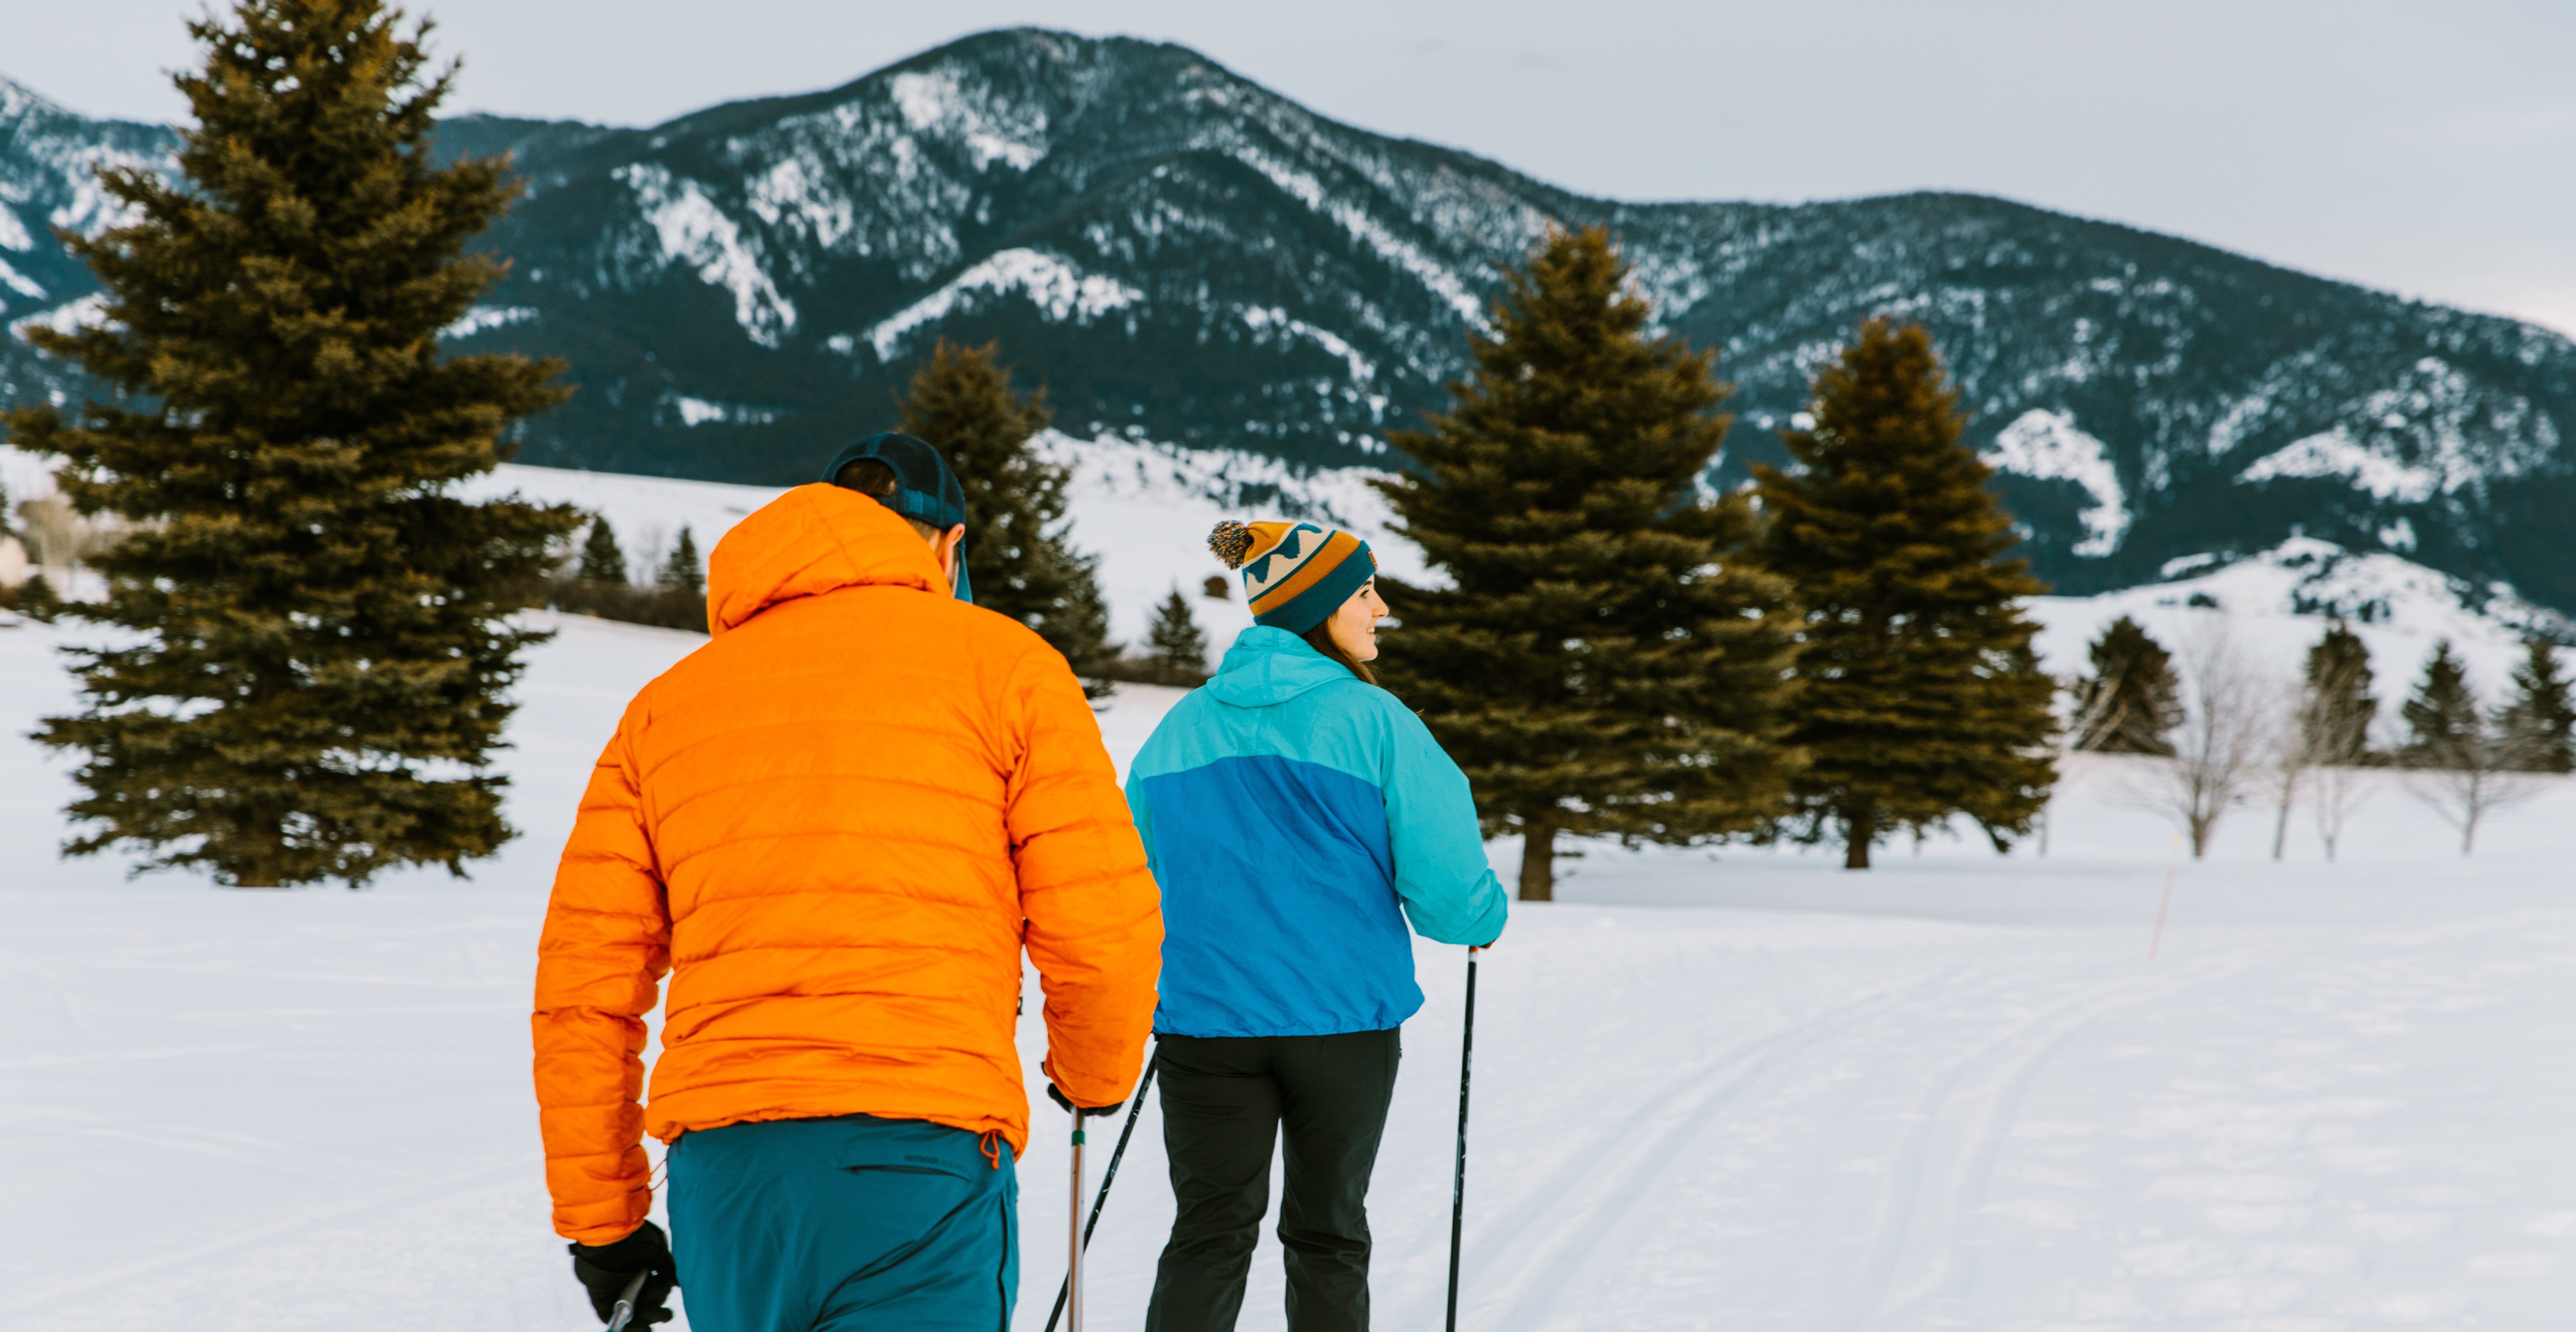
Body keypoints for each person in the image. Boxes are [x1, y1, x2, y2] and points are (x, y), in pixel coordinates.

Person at [532, 433, 1163, 1331]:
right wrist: (1092, 1075)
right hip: (920, 1152)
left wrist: (603, 1225)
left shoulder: (665, 708)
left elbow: (582, 989)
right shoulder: (1009, 669)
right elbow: (1103, 930)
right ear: (946, 549)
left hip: (729, 1182)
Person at [1125, 519, 1509, 1332]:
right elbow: (1446, 888)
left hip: (1204, 1026)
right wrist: (1480, 918)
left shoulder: (1177, 732)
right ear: (1321, 607)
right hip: (1341, 1027)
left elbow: (1133, 882)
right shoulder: (1377, 722)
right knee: (1328, 1233)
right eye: (1366, 593)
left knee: (1207, 1231)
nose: (1382, 609)